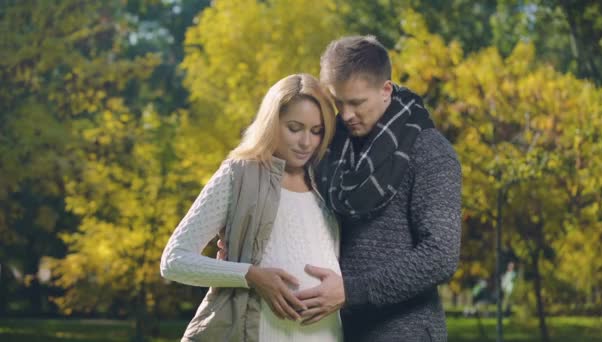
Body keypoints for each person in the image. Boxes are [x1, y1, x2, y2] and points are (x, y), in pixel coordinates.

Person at [293, 36, 463, 341]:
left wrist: (351, 292)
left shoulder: (430, 151)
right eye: (337, 103)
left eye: (357, 103)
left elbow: (440, 256)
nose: (346, 115)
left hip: (407, 331)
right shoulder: (330, 148)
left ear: (386, 90)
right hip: (334, 329)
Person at [160, 74, 342, 341]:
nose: (306, 142)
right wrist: (249, 275)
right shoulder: (239, 174)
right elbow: (174, 261)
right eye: (294, 128)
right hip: (258, 330)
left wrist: (345, 289)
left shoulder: (333, 179)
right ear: (272, 123)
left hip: (327, 333)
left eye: (317, 131)